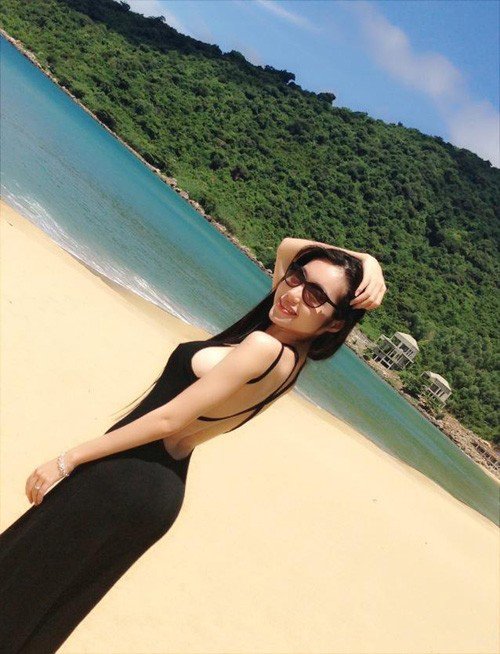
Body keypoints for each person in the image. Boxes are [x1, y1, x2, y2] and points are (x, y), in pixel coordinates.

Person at [0, 237, 386, 653]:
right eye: (296, 279)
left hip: (126, 477)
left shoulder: (263, 346)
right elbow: (287, 249)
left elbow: (169, 419)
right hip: (159, 489)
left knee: (19, 585)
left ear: (334, 324)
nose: (293, 294)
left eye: (315, 296)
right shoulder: (291, 359)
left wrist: (68, 459)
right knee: (46, 607)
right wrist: (365, 261)